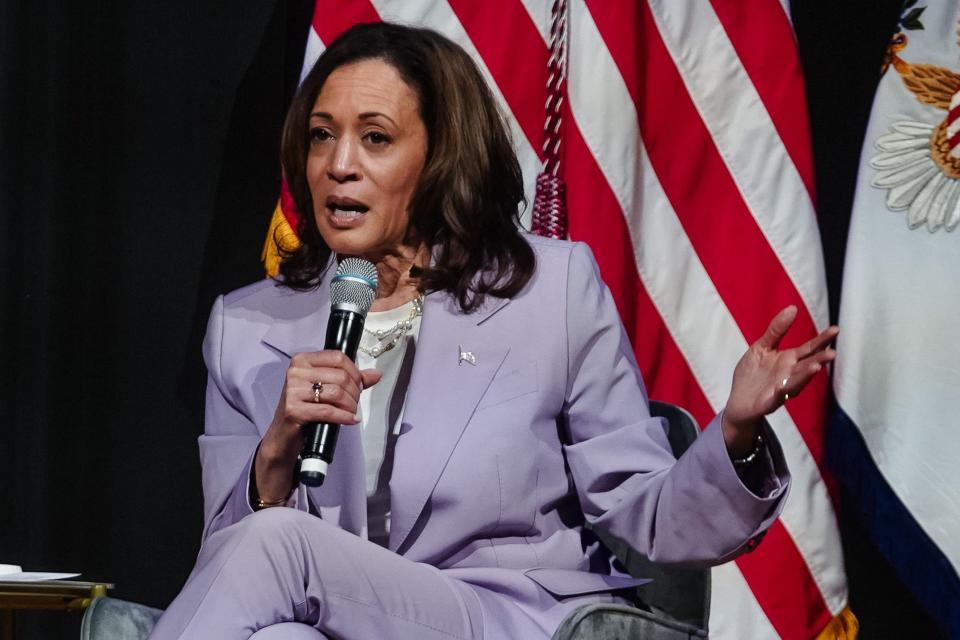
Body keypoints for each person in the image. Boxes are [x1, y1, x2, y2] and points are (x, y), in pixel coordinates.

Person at [149, 21, 837, 640]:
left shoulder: (550, 293)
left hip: (500, 616)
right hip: (334, 622)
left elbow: (646, 516)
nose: (339, 164)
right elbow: (223, 567)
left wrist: (738, 434)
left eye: (376, 137)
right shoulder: (246, 326)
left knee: (279, 546)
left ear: (441, 155)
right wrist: (275, 451)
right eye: (322, 134)